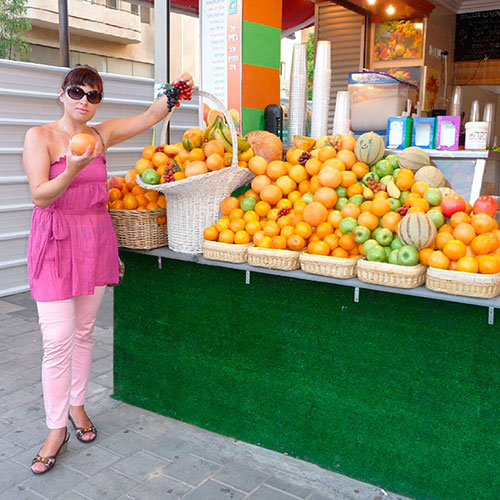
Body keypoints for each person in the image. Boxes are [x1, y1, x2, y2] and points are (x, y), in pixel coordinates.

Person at [23, 65, 193, 474]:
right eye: (78, 92)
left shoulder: (102, 134)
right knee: (58, 339)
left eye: (94, 95)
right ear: (61, 93)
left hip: (94, 239)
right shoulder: (40, 137)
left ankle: (77, 408)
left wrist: (175, 92)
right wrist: (74, 168)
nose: (85, 101)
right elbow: (40, 196)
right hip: (56, 242)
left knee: (83, 333)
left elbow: (151, 116)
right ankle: (54, 429)